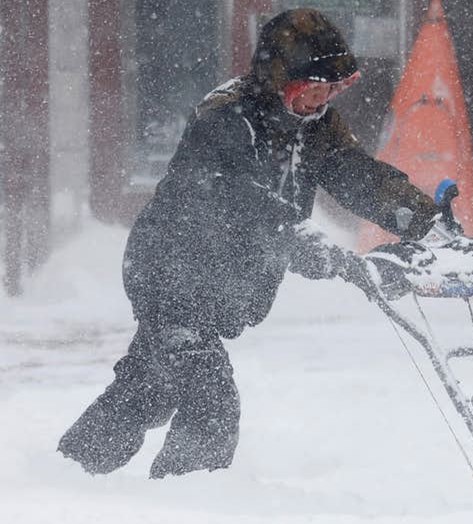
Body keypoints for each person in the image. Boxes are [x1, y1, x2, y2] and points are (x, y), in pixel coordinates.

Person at [58, 8, 440, 478]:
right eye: (310, 90)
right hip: (171, 275)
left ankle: (70, 470)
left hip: (220, 287)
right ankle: (187, 497)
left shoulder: (317, 126)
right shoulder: (226, 118)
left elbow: (355, 174)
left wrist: (420, 218)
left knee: (148, 389)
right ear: (279, 81)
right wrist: (309, 246)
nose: (318, 102)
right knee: (210, 398)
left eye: (329, 91)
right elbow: (237, 201)